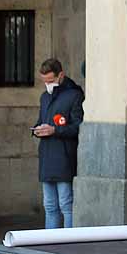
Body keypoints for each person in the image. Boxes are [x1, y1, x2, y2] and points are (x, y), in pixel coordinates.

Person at [33, 58, 84, 230]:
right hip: (47, 156)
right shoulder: (44, 97)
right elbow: (41, 120)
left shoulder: (74, 95)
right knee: (49, 206)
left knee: (66, 204)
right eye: (45, 82)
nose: (48, 85)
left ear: (60, 75)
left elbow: (79, 126)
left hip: (64, 156)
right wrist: (37, 130)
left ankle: (68, 244)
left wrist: (55, 131)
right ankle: (50, 246)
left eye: (51, 80)